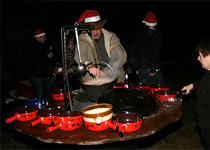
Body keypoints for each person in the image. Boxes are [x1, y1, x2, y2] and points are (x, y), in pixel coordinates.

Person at [74, 9, 127, 83]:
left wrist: (106, 72)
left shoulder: (111, 37)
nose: (95, 32)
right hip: (93, 81)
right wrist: (89, 65)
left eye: (97, 28)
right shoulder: (82, 39)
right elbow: (80, 55)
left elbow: (121, 56)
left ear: (101, 26)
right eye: (92, 30)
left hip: (115, 79)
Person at [182, 38, 210, 149]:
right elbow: (204, 85)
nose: (198, 59)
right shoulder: (208, 73)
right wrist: (192, 85)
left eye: (200, 56)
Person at [129, 11, 164, 85]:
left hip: (141, 70)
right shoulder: (158, 36)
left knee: (144, 93)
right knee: (158, 92)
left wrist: (135, 68)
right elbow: (156, 54)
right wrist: (153, 70)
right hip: (153, 70)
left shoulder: (138, 36)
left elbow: (132, 54)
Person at [26, 29, 54, 98]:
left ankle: (46, 103)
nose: (45, 38)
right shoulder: (31, 46)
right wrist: (46, 56)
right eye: (43, 37)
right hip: (35, 74)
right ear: (38, 37)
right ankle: (39, 106)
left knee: (49, 87)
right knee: (39, 93)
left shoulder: (43, 45)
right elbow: (35, 60)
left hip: (44, 72)